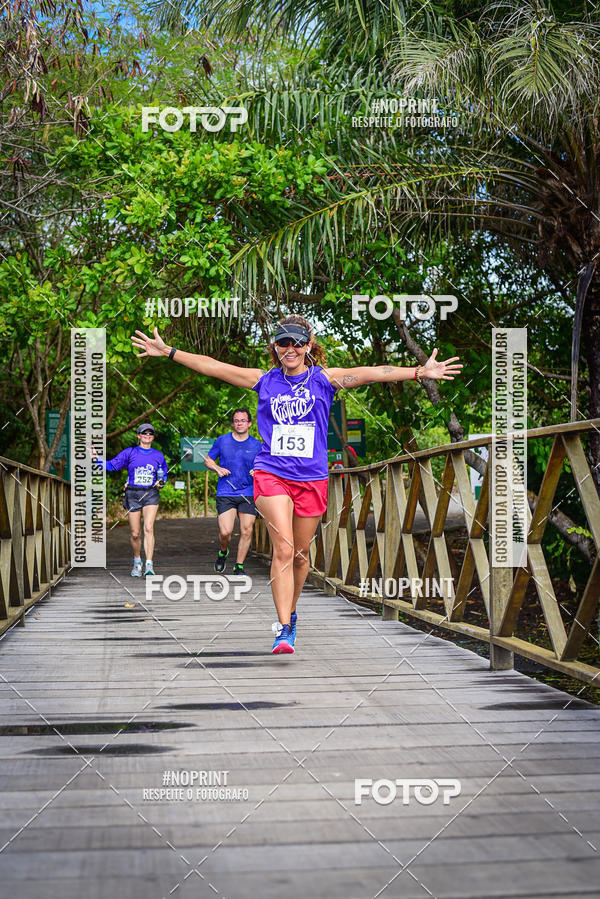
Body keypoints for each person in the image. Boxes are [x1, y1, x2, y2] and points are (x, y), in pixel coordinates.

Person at [131, 315, 462, 652]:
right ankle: (283, 627)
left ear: (308, 345)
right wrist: (169, 351)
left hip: (312, 479)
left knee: (301, 556)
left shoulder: (325, 379)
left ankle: (291, 610)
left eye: (296, 342)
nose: (289, 348)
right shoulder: (264, 380)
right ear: (275, 347)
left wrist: (421, 372)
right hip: (271, 474)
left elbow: (376, 372)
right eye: (283, 342)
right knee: (284, 549)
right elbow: (212, 366)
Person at [92, 423, 168, 577]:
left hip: (150, 494)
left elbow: (163, 474)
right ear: (138, 436)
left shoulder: (158, 455)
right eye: (144, 433)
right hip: (133, 493)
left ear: (153, 437)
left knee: (149, 528)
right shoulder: (130, 452)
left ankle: (149, 565)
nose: (147, 436)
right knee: (135, 533)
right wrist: (96, 459)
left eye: (151, 434)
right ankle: (137, 561)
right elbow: (112, 466)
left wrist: (162, 482)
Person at [203, 408, 262, 576]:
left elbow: (265, 465)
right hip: (226, 491)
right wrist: (217, 468)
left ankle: (239, 565)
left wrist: (258, 471)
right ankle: (223, 552)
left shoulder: (257, 445)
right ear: (233, 423)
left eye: (243, 420)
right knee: (225, 532)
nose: (239, 423)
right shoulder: (222, 441)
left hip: (248, 491)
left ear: (249, 423)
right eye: (236, 420)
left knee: (247, 530)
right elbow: (208, 460)